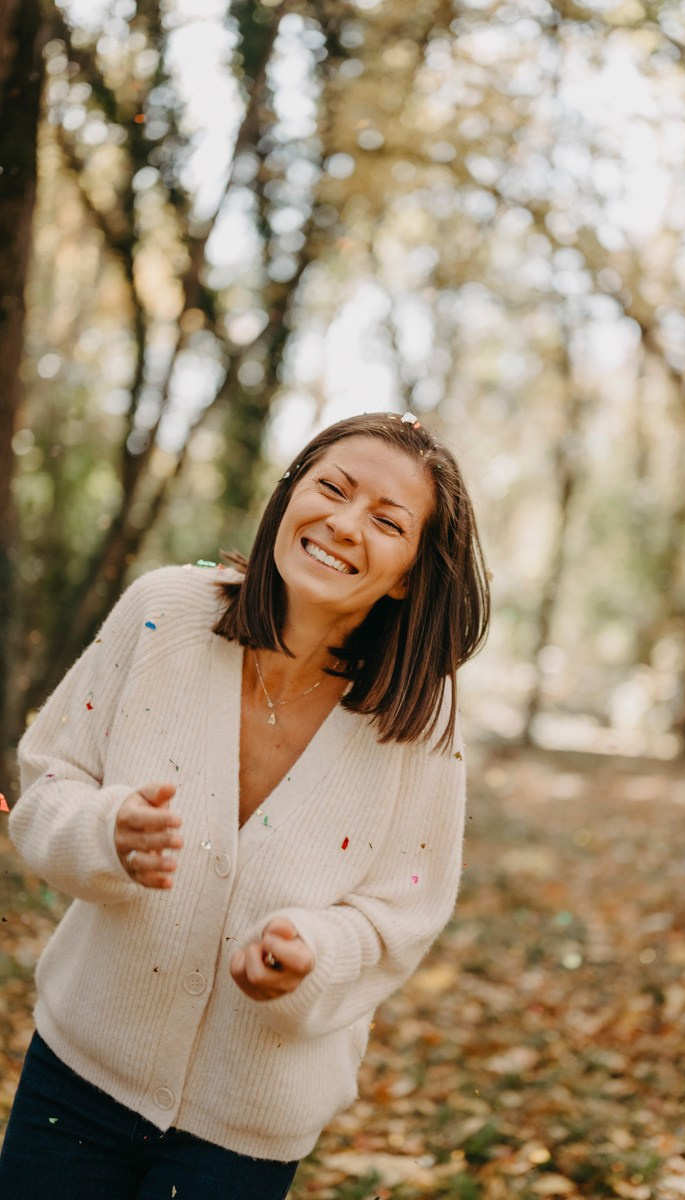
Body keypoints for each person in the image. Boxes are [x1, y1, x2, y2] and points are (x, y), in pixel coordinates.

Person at [0, 411, 490, 1199]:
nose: (343, 522)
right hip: (78, 1082)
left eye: (387, 521)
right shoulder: (164, 611)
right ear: (289, 493)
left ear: (407, 574)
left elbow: (405, 911)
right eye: (331, 487)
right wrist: (103, 833)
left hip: (244, 1132)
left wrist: (314, 952)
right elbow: (48, 780)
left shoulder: (421, 721)